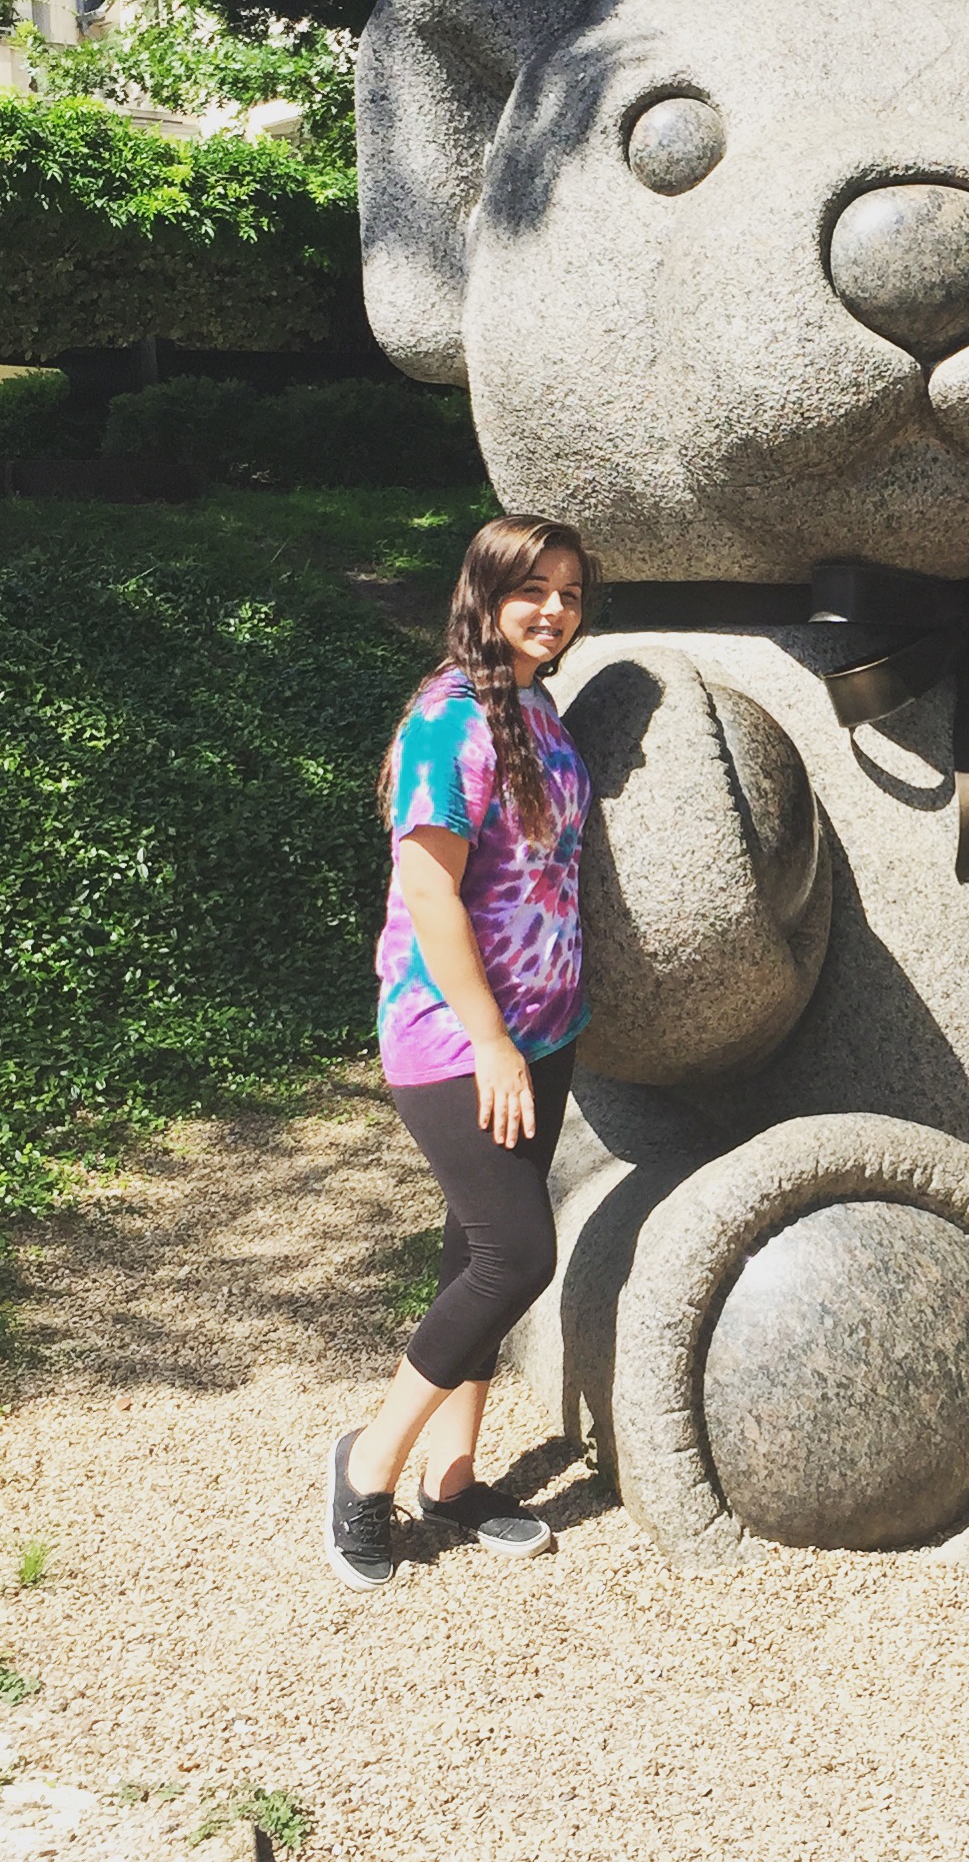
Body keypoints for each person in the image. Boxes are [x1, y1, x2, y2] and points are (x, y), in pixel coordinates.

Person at [323, 514, 597, 1590]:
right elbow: (429, 888)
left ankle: (453, 1475)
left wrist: (531, 1034)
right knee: (513, 1255)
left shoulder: (535, 703)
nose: (554, 609)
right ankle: (366, 1464)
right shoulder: (451, 721)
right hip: (455, 1037)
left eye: (570, 592)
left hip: (542, 1033)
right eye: (531, 589)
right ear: (482, 593)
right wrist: (488, 1040)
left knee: (470, 1250)